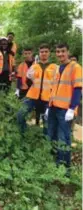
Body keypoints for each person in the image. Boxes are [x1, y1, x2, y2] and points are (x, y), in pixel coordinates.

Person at [45, 43, 82, 175]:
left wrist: (72, 109)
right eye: (58, 51)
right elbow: (53, 89)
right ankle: (55, 159)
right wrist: (49, 106)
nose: (60, 54)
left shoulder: (75, 67)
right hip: (54, 108)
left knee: (63, 137)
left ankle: (64, 167)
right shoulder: (57, 68)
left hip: (65, 110)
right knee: (52, 134)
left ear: (68, 52)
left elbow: (78, 89)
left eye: (63, 51)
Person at [17, 44, 57, 134]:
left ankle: (45, 141)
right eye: (42, 52)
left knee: (47, 122)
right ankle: (23, 133)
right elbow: (28, 78)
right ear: (39, 53)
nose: (44, 53)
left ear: (49, 53)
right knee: (20, 114)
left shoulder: (54, 67)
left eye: (46, 52)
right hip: (32, 96)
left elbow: (57, 84)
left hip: (47, 98)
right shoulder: (34, 66)